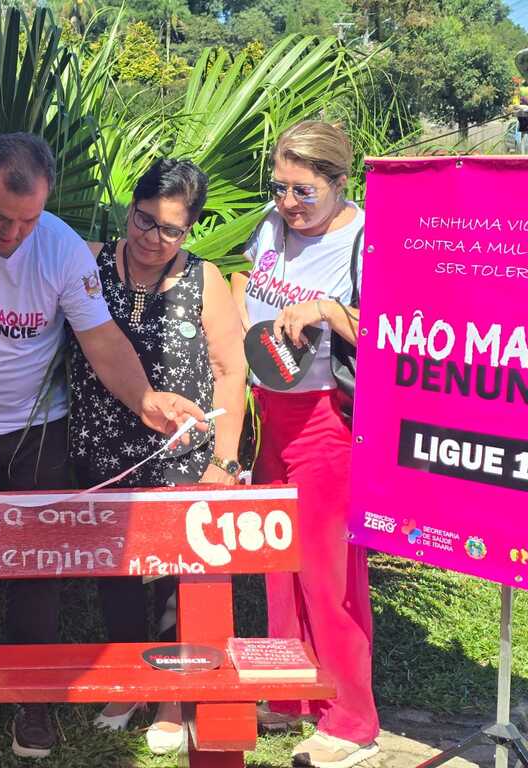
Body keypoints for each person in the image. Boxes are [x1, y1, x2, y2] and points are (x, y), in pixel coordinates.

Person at [0, 132, 208, 760]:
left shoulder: (61, 247)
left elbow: (102, 339)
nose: (13, 234)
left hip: (39, 429)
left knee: (37, 571)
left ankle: (31, 700)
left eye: (28, 220)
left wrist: (146, 399)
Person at [69, 158, 246, 755]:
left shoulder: (204, 279)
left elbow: (230, 370)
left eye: (171, 229)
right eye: (144, 220)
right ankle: (129, 681)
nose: (152, 238)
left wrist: (224, 461)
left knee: (176, 579)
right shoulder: (89, 263)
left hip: (181, 453)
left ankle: (173, 693)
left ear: (190, 229)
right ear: (130, 210)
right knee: (115, 576)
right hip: (104, 448)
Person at [230, 120, 379, 768]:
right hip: (268, 415)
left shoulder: (365, 239)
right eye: (280, 187)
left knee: (328, 574)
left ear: (339, 182)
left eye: (303, 191)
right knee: (278, 564)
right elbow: (247, 282)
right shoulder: (271, 223)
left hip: (328, 422)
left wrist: (326, 310)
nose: (288, 202)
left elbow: (391, 333)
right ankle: (292, 695)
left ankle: (352, 719)